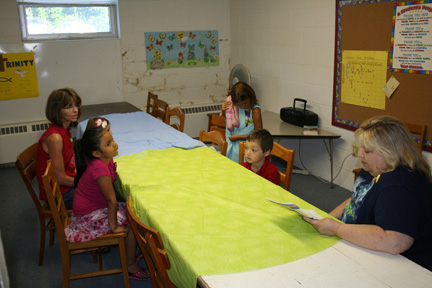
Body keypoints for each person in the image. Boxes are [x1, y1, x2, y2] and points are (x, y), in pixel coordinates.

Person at [304, 116, 432, 271]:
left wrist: (336, 229)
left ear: (389, 152)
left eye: (368, 151)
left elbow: (395, 242)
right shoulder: (374, 169)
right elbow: (356, 199)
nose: (360, 155)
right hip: (361, 240)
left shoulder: (398, 187)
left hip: (403, 265)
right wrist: (328, 218)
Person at [66, 123, 150, 280]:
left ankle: (130, 248)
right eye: (108, 143)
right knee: (133, 220)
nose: (115, 144)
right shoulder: (100, 168)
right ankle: (130, 265)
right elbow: (111, 200)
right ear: (97, 153)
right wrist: (114, 226)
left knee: (132, 208)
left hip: (93, 210)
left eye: (112, 139)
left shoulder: (105, 161)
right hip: (87, 218)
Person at [36, 88, 82, 210]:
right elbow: (61, 179)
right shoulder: (55, 138)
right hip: (60, 195)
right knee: (110, 194)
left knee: (106, 185)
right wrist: (85, 183)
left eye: (76, 105)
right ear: (57, 111)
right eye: (68, 107)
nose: (75, 110)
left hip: (65, 187)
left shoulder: (64, 131)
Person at [84, 117, 124, 202]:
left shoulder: (104, 155)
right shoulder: (100, 166)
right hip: (99, 199)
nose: (111, 132)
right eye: (107, 130)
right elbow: (110, 200)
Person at [222, 82, 262, 162]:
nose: (243, 106)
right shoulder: (235, 107)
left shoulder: (255, 110)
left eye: (245, 103)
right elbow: (229, 121)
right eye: (239, 105)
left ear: (251, 97)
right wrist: (223, 111)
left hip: (246, 150)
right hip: (233, 147)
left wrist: (238, 137)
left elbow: (258, 135)